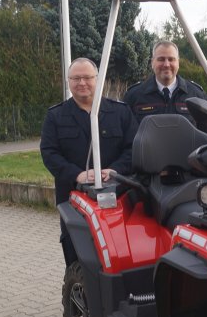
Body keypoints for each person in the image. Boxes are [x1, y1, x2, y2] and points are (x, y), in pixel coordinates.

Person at [41, 57, 137, 265]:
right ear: (68, 81)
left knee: (117, 256)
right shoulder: (56, 116)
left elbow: (134, 148)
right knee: (77, 256)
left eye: (87, 77)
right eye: (76, 78)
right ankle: (77, 295)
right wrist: (78, 174)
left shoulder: (120, 112)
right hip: (73, 200)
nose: (81, 83)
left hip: (117, 199)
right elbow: (49, 153)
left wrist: (115, 170)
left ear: (97, 79)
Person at [123, 40, 207, 127]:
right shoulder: (134, 96)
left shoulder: (196, 95)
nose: (166, 64)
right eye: (161, 59)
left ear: (178, 63)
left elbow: (206, 137)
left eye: (171, 59)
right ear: (152, 62)